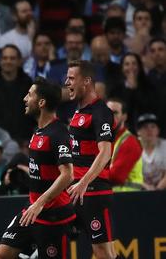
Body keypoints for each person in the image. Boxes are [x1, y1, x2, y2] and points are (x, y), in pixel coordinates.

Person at [0, 78, 75, 259]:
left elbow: (68, 174)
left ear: (41, 102)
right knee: (3, 254)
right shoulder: (38, 131)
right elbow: (43, 169)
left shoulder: (58, 133)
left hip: (53, 214)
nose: (25, 98)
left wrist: (40, 202)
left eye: (29, 94)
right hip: (32, 208)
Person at [64, 60, 117, 259]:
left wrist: (84, 182)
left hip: (94, 192)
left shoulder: (101, 112)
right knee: (106, 252)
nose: (67, 82)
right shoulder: (78, 111)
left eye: (71, 78)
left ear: (86, 81)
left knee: (103, 252)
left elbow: (105, 153)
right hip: (76, 190)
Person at [0, 45, 34, 143]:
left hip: (24, 140)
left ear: (19, 61)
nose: (8, 61)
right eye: (5, 58)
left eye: (12, 58)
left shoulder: (29, 85)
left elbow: (33, 114)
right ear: (0, 61)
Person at [106, 98, 144, 192]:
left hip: (127, 199)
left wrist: (87, 173)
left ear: (124, 117)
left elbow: (116, 176)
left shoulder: (129, 142)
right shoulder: (105, 139)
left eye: (115, 113)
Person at [136, 113, 166, 190]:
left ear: (158, 130)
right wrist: (146, 187)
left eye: (153, 126)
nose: (149, 130)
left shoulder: (164, 145)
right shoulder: (131, 146)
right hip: (138, 190)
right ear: (138, 131)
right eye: (145, 127)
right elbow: (129, 174)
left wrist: (158, 189)